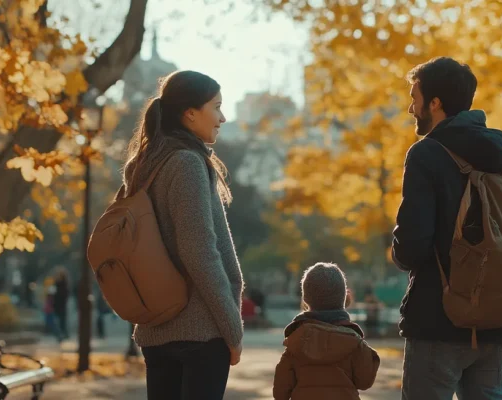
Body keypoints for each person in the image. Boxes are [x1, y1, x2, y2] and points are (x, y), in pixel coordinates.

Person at [392, 57, 502, 400]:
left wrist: (398, 244)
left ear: (435, 103)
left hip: (439, 317)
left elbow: (411, 247)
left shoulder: (426, 154)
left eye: (414, 97)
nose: (410, 107)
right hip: (498, 318)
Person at [120, 70, 244, 400]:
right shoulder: (187, 163)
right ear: (190, 113)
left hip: (157, 329)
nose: (222, 117)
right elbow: (198, 249)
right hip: (200, 332)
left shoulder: (143, 165)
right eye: (216, 107)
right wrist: (232, 329)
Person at [273, 262, 380, 400]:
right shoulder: (354, 343)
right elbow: (365, 381)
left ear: (305, 299)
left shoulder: (295, 342)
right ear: (343, 299)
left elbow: (280, 393)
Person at [52, 267, 70, 341]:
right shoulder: (56, 284)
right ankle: (61, 335)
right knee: (58, 321)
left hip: (61, 305)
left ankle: (62, 335)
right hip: (57, 305)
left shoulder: (63, 284)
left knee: (61, 322)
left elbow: (64, 295)